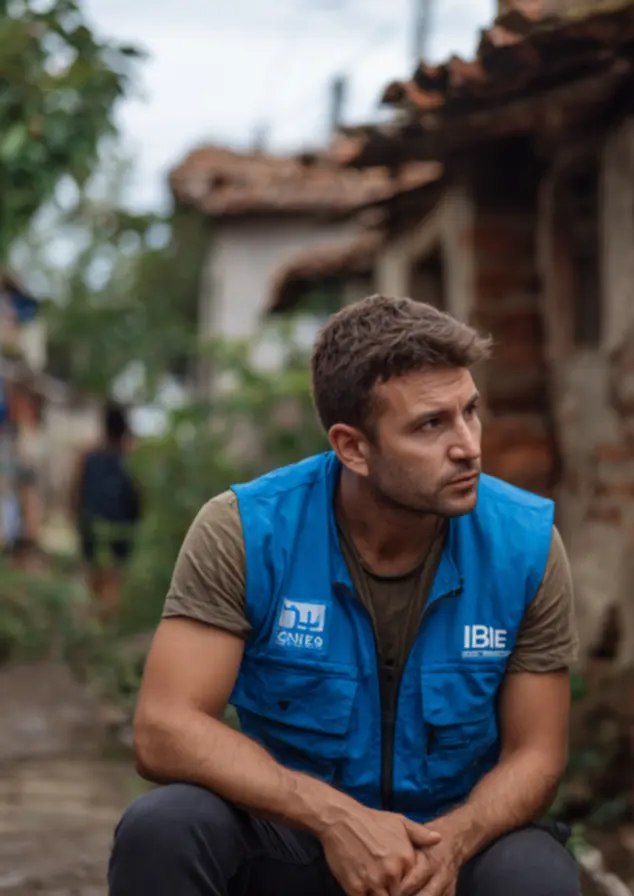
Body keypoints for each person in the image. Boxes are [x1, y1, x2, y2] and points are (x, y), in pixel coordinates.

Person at [109, 295, 581, 896]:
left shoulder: (525, 545)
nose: (468, 446)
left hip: (448, 846)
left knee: (534, 874)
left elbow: (537, 755)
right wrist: (334, 818)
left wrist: (457, 841)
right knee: (165, 826)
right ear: (353, 447)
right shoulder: (250, 532)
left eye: (470, 411)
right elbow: (163, 727)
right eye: (430, 425)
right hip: (293, 837)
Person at [71, 401, 141, 622]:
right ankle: (106, 624)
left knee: (96, 576)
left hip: (92, 523)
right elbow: (140, 496)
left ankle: (99, 623)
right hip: (122, 526)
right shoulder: (131, 458)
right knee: (114, 580)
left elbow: (75, 490)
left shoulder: (88, 455)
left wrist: (75, 517)